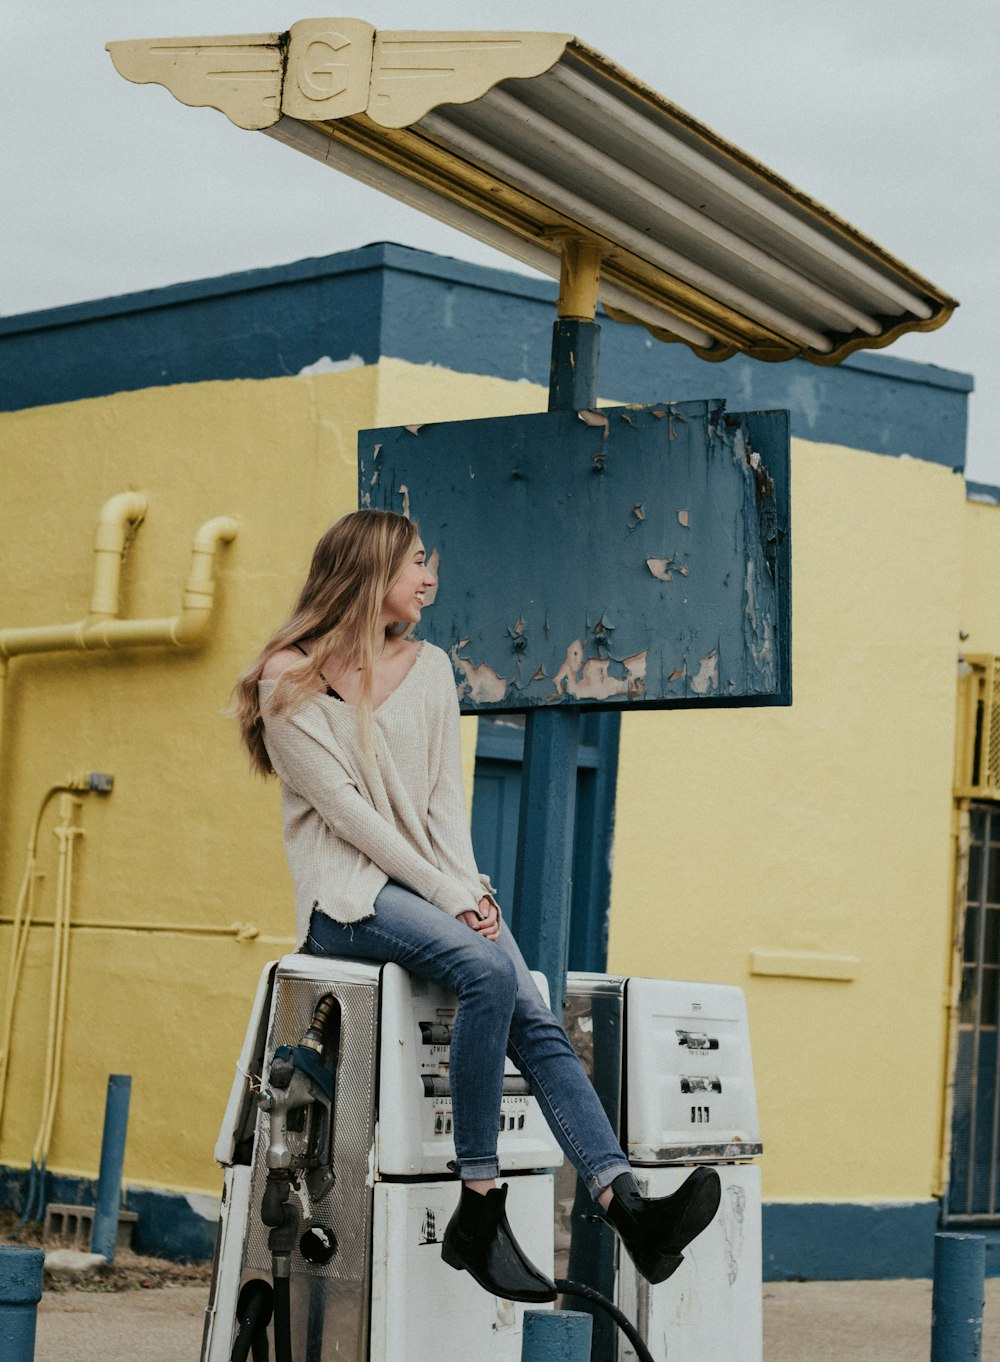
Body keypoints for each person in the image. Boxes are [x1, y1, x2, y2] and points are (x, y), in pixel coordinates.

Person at [234, 508, 721, 1303]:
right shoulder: (288, 681)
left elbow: (440, 805)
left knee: (528, 1004)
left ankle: (627, 1207)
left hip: (425, 891)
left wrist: (474, 894)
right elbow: (352, 819)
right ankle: (479, 1200)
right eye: (417, 562)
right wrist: (449, 897)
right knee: (485, 975)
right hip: (347, 900)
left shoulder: (427, 667)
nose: (430, 577)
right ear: (370, 572)